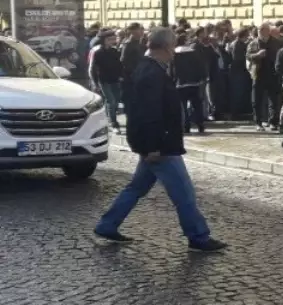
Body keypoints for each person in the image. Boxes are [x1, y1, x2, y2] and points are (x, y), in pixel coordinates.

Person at [94, 27, 226, 252]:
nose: (175, 51)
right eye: (173, 45)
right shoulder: (151, 73)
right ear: (166, 47)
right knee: (184, 193)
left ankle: (108, 224)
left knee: (136, 188)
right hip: (161, 145)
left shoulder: (148, 69)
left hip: (154, 142)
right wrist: (152, 146)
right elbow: (149, 113)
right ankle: (198, 236)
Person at [247, 24, 283, 131]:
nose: (260, 31)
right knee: (257, 99)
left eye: (263, 30)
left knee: (274, 99)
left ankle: (273, 122)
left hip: (273, 73)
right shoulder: (254, 43)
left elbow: (281, 56)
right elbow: (248, 56)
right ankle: (258, 122)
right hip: (258, 73)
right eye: (259, 30)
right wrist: (257, 55)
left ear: (268, 31)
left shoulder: (276, 42)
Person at [173, 34, 208, 134]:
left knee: (183, 107)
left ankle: (186, 126)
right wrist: (202, 77)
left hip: (180, 83)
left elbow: (172, 68)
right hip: (194, 83)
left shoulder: (175, 53)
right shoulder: (193, 52)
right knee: (197, 105)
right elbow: (200, 66)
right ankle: (200, 125)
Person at [89, 29, 123, 130]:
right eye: (110, 39)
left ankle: (105, 117)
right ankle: (113, 122)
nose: (113, 41)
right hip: (103, 80)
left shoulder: (114, 51)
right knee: (111, 101)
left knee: (116, 100)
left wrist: (121, 76)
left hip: (115, 79)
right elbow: (92, 69)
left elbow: (119, 65)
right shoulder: (97, 52)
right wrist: (95, 83)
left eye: (113, 39)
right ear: (104, 40)